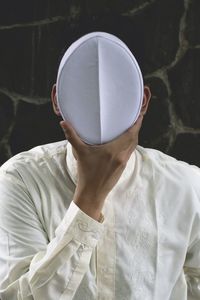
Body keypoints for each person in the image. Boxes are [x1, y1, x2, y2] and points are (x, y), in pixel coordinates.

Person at [0, 36, 200, 300]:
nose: (100, 99)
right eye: (82, 90)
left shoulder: (186, 185)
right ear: (56, 100)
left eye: (117, 90)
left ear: (143, 100)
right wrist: (89, 197)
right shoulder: (20, 180)